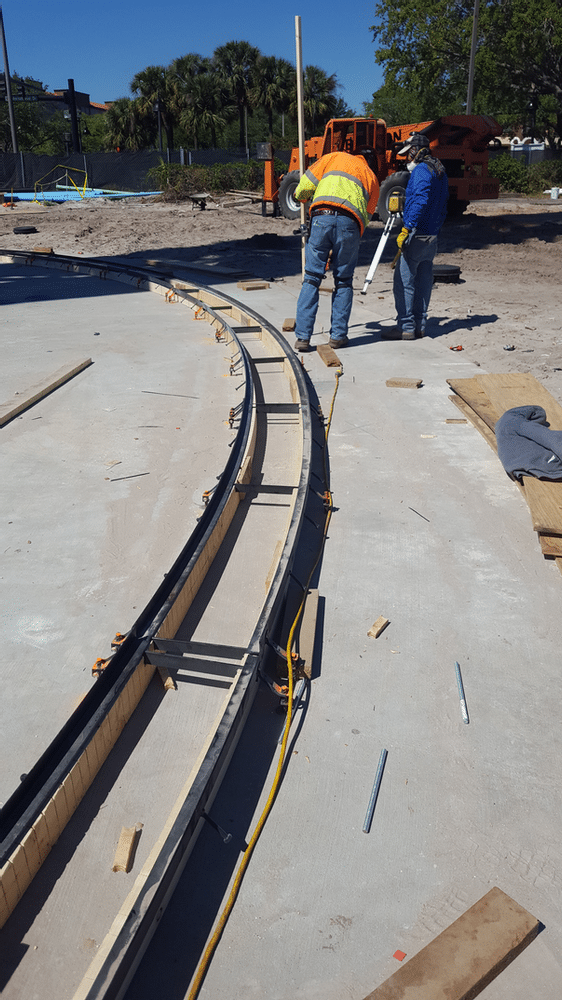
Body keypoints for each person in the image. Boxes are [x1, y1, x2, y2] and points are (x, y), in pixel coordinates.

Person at [293, 147, 378, 352]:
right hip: (351, 224)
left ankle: (303, 338)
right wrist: (345, 239)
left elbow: (303, 188)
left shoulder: (333, 158)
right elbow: (367, 217)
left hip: (321, 217)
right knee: (344, 281)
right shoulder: (371, 177)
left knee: (312, 278)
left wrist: (301, 197)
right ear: (368, 161)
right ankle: (338, 336)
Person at [384, 132, 449, 341]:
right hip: (432, 235)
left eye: (407, 155)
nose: (406, 160)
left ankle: (406, 327)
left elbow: (420, 199)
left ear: (415, 151)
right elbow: (444, 202)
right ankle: (420, 325)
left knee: (404, 281)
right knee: (423, 280)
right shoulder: (439, 169)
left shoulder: (421, 170)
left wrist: (407, 227)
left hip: (417, 233)